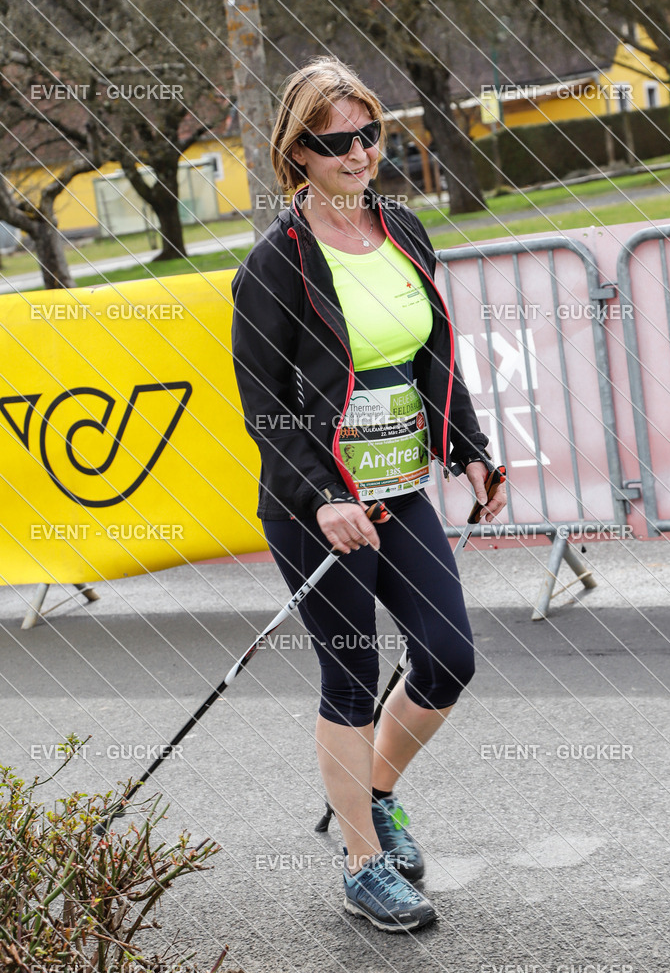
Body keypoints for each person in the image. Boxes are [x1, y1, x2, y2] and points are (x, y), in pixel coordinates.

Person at [231, 56, 506, 933]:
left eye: (368, 135)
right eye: (334, 141)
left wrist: (468, 446)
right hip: (320, 505)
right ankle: (361, 866)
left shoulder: (404, 229)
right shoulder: (275, 265)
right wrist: (319, 497)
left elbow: (432, 353)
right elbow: (264, 408)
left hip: (399, 488)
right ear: (297, 153)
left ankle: (374, 795)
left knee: (447, 655)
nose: (357, 154)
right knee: (349, 675)